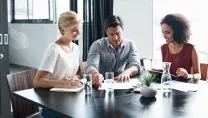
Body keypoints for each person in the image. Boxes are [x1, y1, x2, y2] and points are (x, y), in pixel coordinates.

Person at [33, 11, 83, 117]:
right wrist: (65, 84)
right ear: (62, 30)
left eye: (79, 29)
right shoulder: (53, 50)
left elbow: (77, 73)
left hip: (68, 99)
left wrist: (75, 78)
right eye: (74, 30)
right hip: (52, 104)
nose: (78, 33)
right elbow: (37, 82)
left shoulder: (75, 48)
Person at [86, 15, 141, 87]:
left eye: (118, 33)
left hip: (121, 84)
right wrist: (95, 74)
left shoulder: (130, 44)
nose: (115, 38)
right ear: (106, 32)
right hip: (102, 85)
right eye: (111, 34)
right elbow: (91, 66)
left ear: (122, 30)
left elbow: (136, 65)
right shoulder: (97, 45)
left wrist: (127, 72)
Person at [160, 13, 201, 80]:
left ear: (177, 32)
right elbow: (167, 72)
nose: (164, 36)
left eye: (168, 32)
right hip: (169, 86)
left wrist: (188, 75)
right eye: (162, 32)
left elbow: (198, 75)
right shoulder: (163, 48)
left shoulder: (191, 49)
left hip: (185, 87)